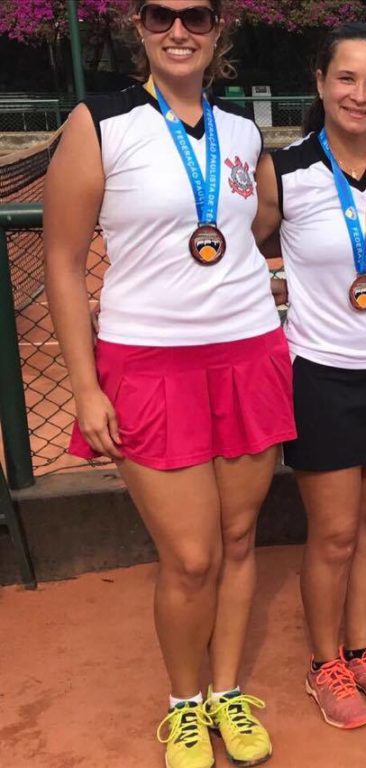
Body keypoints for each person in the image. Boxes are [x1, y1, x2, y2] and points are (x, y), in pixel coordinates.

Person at [44, 2, 295, 766]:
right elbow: (62, 260)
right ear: (139, 26)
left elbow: (260, 222)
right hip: (149, 364)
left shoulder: (242, 131)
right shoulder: (99, 122)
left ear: (219, 29)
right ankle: (185, 704)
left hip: (248, 351)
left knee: (240, 538)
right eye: (162, 15)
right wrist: (85, 387)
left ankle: (226, 691)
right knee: (190, 557)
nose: (178, 31)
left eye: (196, 16)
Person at [252, 22, 366, 730]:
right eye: (347, 78)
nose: (360, 94)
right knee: (332, 535)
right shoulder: (285, 170)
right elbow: (245, 250)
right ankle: (324, 662)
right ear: (321, 83)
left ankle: (362, 650)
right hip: (324, 375)